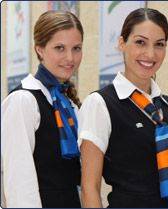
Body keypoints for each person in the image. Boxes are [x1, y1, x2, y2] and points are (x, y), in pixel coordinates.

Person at [79, 8, 168, 208]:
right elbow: (90, 188)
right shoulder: (100, 104)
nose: (150, 54)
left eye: (159, 44)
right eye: (140, 42)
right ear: (122, 43)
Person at [1, 10, 84, 208]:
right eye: (59, 48)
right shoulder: (23, 101)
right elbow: (18, 179)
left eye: (76, 48)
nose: (70, 58)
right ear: (39, 49)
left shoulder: (68, 102)